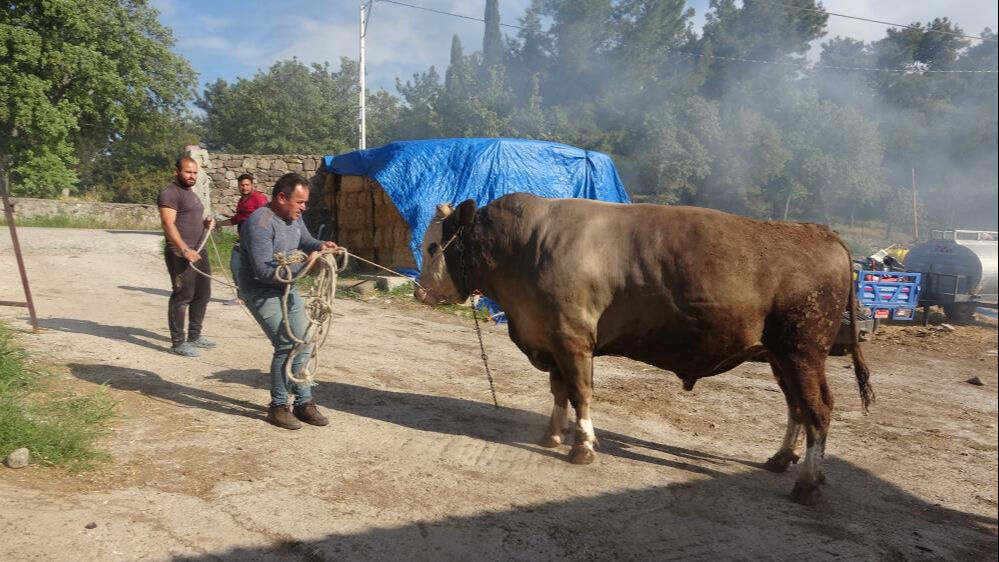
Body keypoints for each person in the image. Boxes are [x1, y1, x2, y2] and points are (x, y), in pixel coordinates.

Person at [236, 172, 338, 430]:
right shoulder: (260, 224)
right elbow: (265, 272)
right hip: (261, 289)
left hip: (286, 285)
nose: (304, 208)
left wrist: (322, 245)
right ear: (282, 198)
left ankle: (303, 402)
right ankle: (278, 407)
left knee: (304, 338)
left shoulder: (294, 217)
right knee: (286, 343)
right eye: (300, 202)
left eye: (305, 203)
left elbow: (305, 240)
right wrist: (306, 266)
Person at [157, 156, 215, 357]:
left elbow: (192, 217)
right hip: (180, 253)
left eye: (194, 172)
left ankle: (195, 335)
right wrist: (183, 249)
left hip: (199, 250)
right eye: (188, 172)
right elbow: (168, 224)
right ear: (176, 171)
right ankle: (178, 342)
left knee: (203, 294)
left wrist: (205, 223)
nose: (192, 176)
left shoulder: (191, 193)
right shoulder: (169, 193)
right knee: (183, 296)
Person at [216, 173, 268, 305]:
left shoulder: (258, 198)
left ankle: (259, 296)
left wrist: (258, 233)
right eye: (242, 185)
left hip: (254, 241)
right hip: (242, 240)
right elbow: (236, 219)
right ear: (239, 186)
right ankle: (242, 297)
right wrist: (220, 223)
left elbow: (267, 214)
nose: (244, 188)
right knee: (236, 266)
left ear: (252, 185)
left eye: (247, 185)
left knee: (256, 269)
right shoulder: (241, 201)